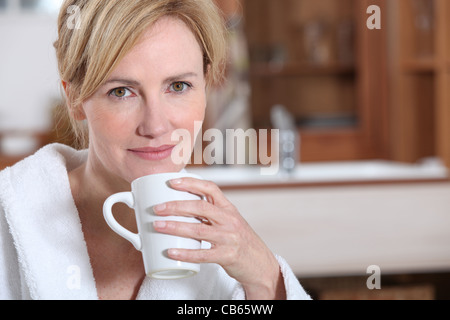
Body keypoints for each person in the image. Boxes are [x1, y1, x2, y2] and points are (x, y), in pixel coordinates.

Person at [0, 0, 311, 300]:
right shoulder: (12, 219)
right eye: (121, 92)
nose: (156, 125)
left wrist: (266, 276)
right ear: (75, 99)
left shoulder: (224, 247)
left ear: (205, 85)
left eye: (178, 86)